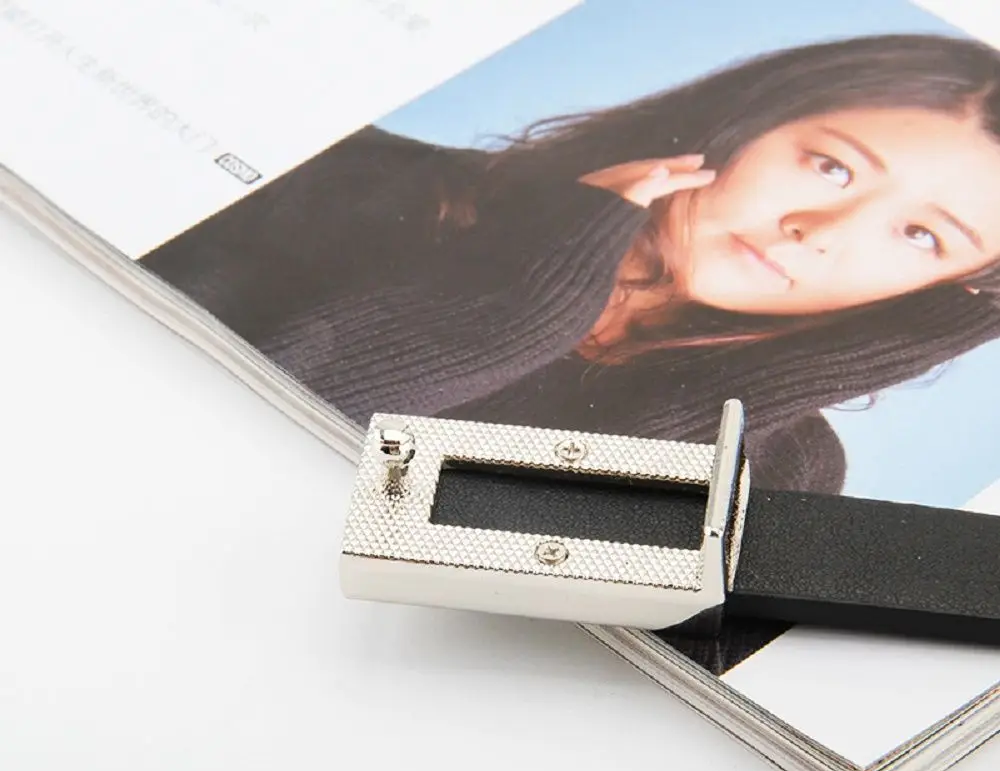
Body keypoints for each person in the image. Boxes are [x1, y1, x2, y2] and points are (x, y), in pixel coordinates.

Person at [140, 32, 1000, 493]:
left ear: (945, 292)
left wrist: (707, 413)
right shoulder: (354, 182)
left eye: (921, 237)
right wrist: (516, 307)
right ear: (751, 116)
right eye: (833, 167)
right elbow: (173, 437)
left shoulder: (784, 468)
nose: (821, 231)